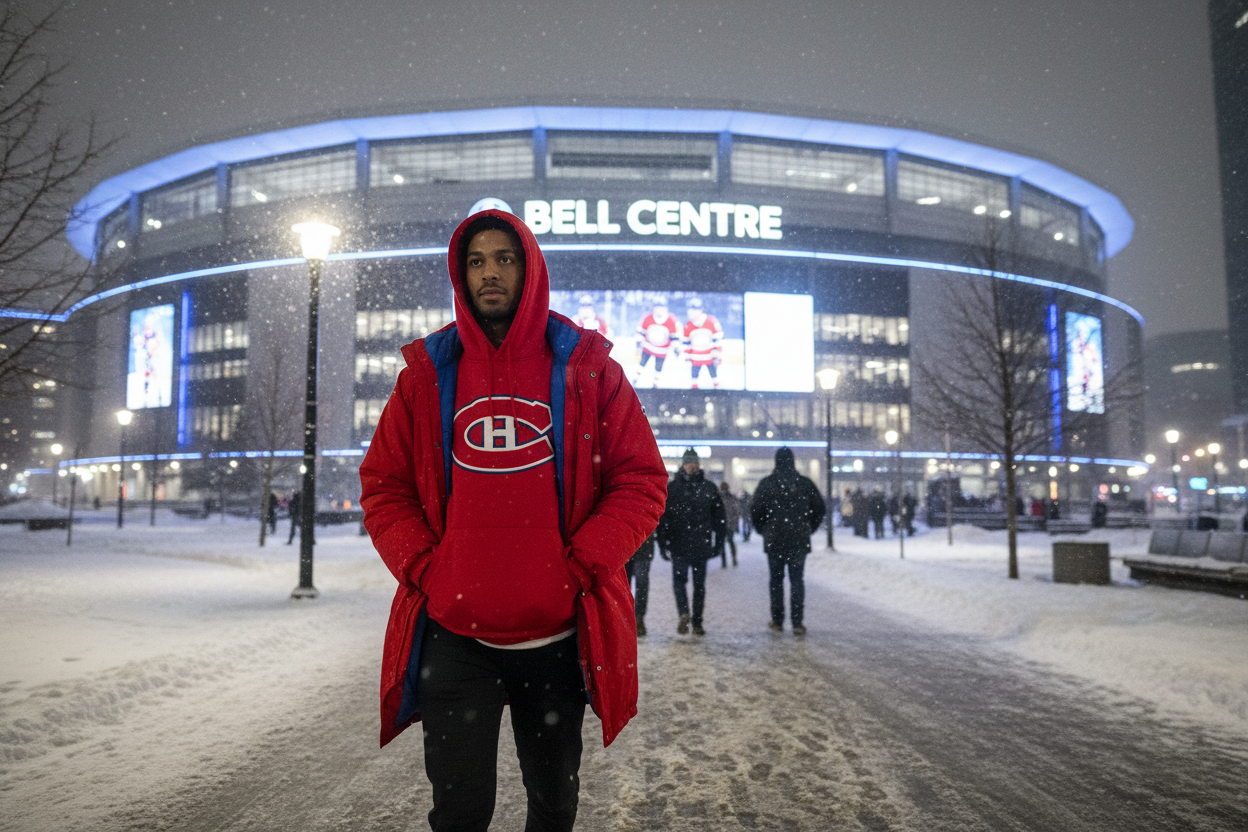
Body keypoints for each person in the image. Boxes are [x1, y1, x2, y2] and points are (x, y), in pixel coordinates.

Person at [359, 209, 667, 832]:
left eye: (505, 259)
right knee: (459, 812)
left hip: (554, 638)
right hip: (455, 635)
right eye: (476, 262)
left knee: (553, 805)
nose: (490, 273)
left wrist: (579, 562)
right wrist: (426, 566)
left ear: (529, 269)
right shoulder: (427, 375)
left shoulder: (586, 368)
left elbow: (640, 480)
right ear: (460, 274)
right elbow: (384, 485)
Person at [750, 448, 826, 636]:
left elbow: (755, 510)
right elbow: (820, 508)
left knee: (776, 581)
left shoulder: (767, 484)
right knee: (797, 581)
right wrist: (808, 528)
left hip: (775, 539)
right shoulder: (804, 484)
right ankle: (797, 622)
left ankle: (777, 620)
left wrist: (764, 530)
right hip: (798, 539)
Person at [657, 448, 725, 636]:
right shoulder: (708, 488)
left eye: (693, 462)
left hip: (683, 545)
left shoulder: (673, 488)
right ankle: (694, 621)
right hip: (696, 545)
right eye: (689, 462)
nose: (691, 465)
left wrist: (663, 544)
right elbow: (720, 519)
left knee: (682, 583)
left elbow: (663, 519)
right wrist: (718, 543)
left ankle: (686, 615)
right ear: (684, 464)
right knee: (698, 586)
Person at [633, 296, 679, 387]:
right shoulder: (647, 318)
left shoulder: (671, 320)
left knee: (658, 368)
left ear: (665, 309)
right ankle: (634, 381)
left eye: (661, 308)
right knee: (641, 365)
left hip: (662, 350)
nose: (659, 310)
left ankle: (655, 384)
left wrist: (675, 349)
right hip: (648, 347)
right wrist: (638, 346)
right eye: (657, 308)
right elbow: (640, 333)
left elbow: (674, 337)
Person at [681, 297, 724, 389]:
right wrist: (687, 356)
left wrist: (717, 355)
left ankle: (716, 386)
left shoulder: (711, 320)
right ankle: (694, 387)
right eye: (690, 310)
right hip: (695, 358)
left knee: (713, 374)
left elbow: (718, 339)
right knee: (694, 375)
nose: (691, 313)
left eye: (694, 310)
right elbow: (686, 343)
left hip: (709, 357)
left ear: (700, 310)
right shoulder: (688, 325)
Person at [626, 532, 656, 636]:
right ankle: (630, 618)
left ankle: (637, 618)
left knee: (640, 584)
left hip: (640, 545)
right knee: (628, 586)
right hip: (628, 546)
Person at [719, 481, 741, 567]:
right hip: (728, 523)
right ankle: (732, 558)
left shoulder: (719, 498)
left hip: (723, 524)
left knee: (723, 543)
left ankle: (725, 561)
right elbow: (736, 510)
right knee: (730, 541)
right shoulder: (730, 497)